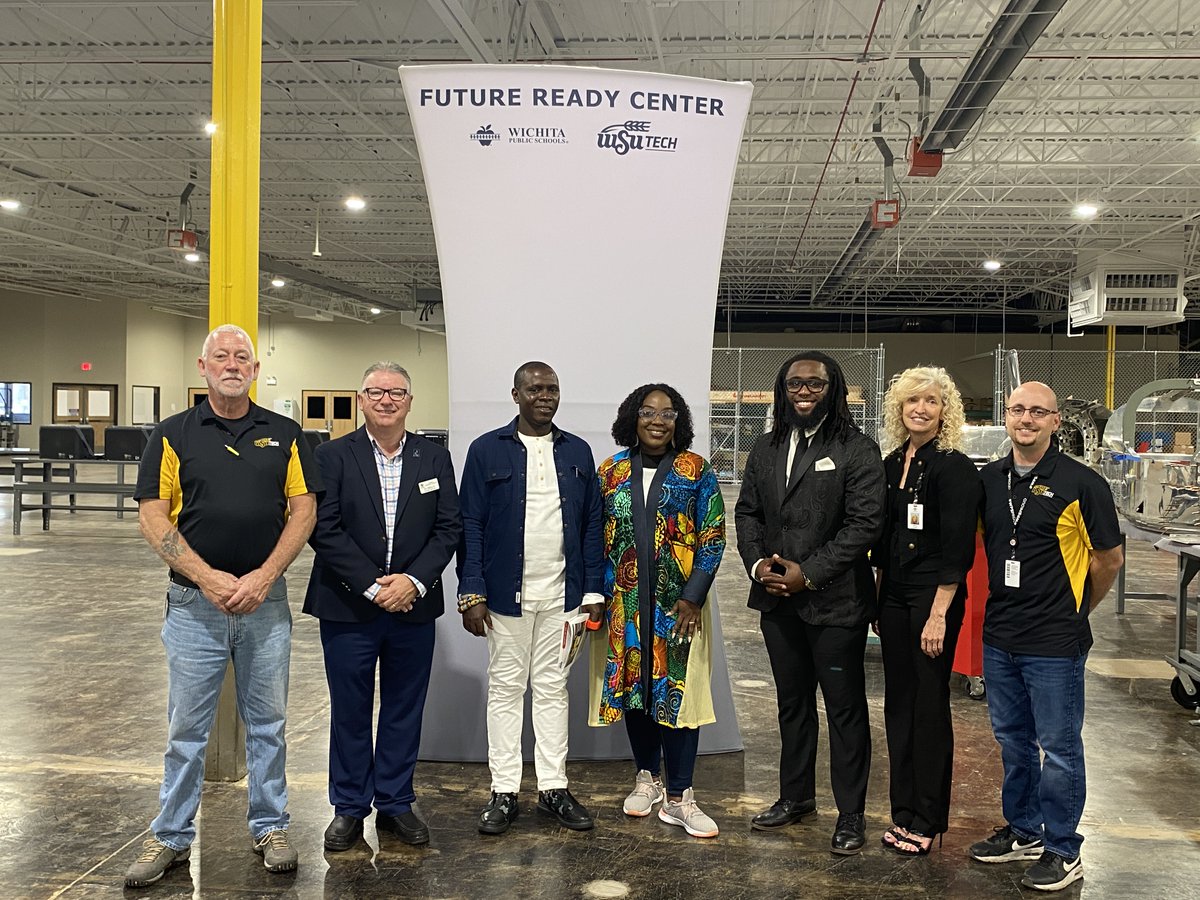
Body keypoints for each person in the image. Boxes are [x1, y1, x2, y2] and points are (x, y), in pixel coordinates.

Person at [125, 324, 320, 887]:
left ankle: (271, 825)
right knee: (186, 728)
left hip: (267, 604)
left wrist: (263, 576)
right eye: (221, 357)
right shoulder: (172, 434)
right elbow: (152, 516)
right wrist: (208, 578)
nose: (232, 364)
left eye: (242, 357)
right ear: (202, 367)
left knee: (270, 724)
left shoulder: (285, 434)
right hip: (193, 606)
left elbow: (303, 511)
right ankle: (170, 836)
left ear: (255, 371)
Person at [969, 381, 1123, 891]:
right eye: (1017, 410)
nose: (1026, 419)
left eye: (1038, 412)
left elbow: (1108, 559)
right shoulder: (989, 480)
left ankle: (1062, 848)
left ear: (1057, 421)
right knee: (1012, 740)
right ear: (1006, 417)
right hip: (1000, 635)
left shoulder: (1084, 484)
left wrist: (1078, 612)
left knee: (1058, 748)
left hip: (1055, 640)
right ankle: (1024, 830)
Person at [304, 362, 461, 851]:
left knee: (402, 708)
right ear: (362, 399)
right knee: (349, 710)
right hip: (348, 607)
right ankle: (348, 808)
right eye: (376, 392)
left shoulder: (434, 458)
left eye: (396, 392)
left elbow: (448, 528)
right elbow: (322, 527)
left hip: (413, 608)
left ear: (410, 401)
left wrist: (412, 581)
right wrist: (374, 587)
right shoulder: (330, 455)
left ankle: (395, 802)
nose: (387, 400)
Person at [734, 350, 885, 855]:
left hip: (835, 604)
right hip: (777, 602)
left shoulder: (857, 449)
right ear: (783, 390)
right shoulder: (765, 448)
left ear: (832, 390)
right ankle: (795, 798)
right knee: (792, 705)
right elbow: (748, 513)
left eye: (815, 384)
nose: (804, 391)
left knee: (844, 710)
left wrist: (809, 575)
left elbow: (863, 526)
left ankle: (851, 814)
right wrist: (760, 567)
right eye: (795, 384)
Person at [457, 361, 605, 835]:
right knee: (504, 690)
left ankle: (553, 788)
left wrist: (594, 589)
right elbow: (470, 526)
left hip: (563, 597)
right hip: (504, 599)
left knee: (552, 691)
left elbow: (591, 527)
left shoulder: (578, 451)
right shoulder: (486, 451)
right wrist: (471, 590)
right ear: (516, 395)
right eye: (535, 389)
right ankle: (503, 790)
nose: (545, 396)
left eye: (552, 389)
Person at [593, 384, 726, 838]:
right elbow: (596, 535)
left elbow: (713, 535)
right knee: (636, 689)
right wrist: (600, 593)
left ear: (678, 421)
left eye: (667, 413)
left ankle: (680, 796)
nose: (657, 420)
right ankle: (646, 779)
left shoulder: (695, 470)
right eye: (648, 411)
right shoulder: (609, 471)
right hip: (625, 607)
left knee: (680, 698)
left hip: (680, 608)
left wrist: (693, 595)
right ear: (632, 417)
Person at [872, 366, 981, 856]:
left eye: (932, 401)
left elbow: (958, 549)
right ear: (899, 408)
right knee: (899, 703)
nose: (921, 408)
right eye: (913, 400)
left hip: (932, 598)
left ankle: (929, 816)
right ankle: (902, 811)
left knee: (928, 705)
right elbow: (885, 538)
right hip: (893, 595)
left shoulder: (952, 466)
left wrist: (939, 614)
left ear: (946, 410)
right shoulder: (894, 460)